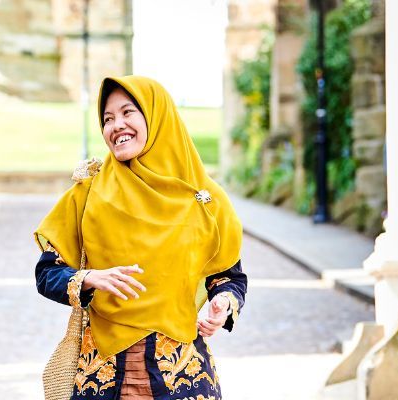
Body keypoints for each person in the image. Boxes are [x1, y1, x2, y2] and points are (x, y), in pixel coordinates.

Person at [33, 75, 248, 399]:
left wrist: (224, 303)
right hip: (101, 378)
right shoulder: (87, 194)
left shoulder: (204, 199)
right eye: (107, 118)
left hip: (183, 379)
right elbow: (46, 273)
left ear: (156, 116)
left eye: (127, 113)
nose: (116, 125)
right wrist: (89, 278)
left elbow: (229, 276)